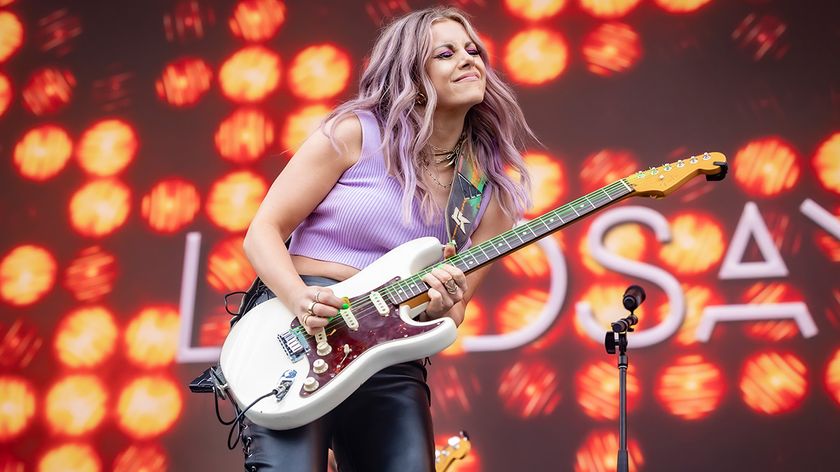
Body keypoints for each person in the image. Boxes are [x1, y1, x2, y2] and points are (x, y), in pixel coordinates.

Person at [239, 6, 534, 472]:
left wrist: (443, 304)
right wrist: (299, 298)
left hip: (387, 351)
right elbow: (262, 234)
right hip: (301, 328)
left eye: (473, 50)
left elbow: (455, 311)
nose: (468, 59)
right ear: (412, 75)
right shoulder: (354, 133)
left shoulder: (489, 191)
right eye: (446, 53)